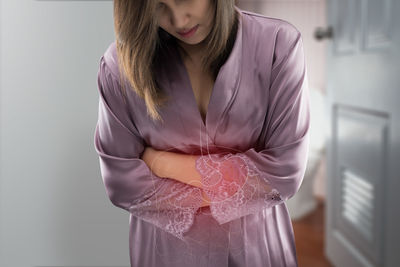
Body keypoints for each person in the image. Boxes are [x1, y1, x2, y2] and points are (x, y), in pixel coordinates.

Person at [93, 0, 310, 266]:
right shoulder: (118, 65)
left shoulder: (279, 43)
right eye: (157, 6)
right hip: (167, 254)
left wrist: (161, 162)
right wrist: (243, 180)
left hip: (258, 249)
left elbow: (285, 173)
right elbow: (121, 183)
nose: (179, 20)